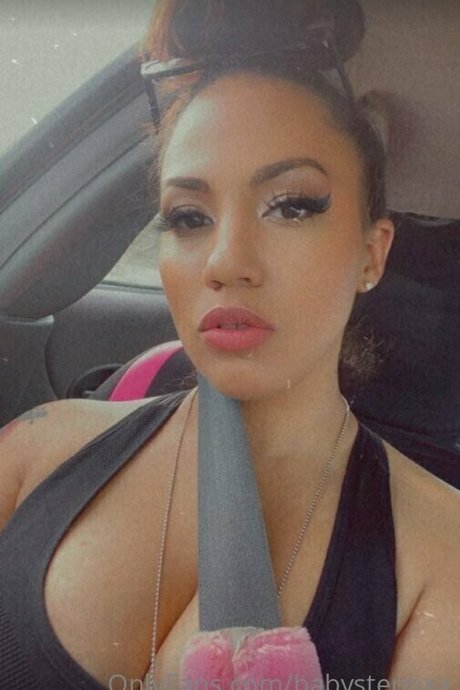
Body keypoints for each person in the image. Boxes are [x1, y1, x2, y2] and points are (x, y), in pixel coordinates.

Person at [1, 1, 459, 688]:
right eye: (189, 216)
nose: (225, 261)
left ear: (372, 253)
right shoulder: (36, 449)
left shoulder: (443, 562)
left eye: (292, 205)